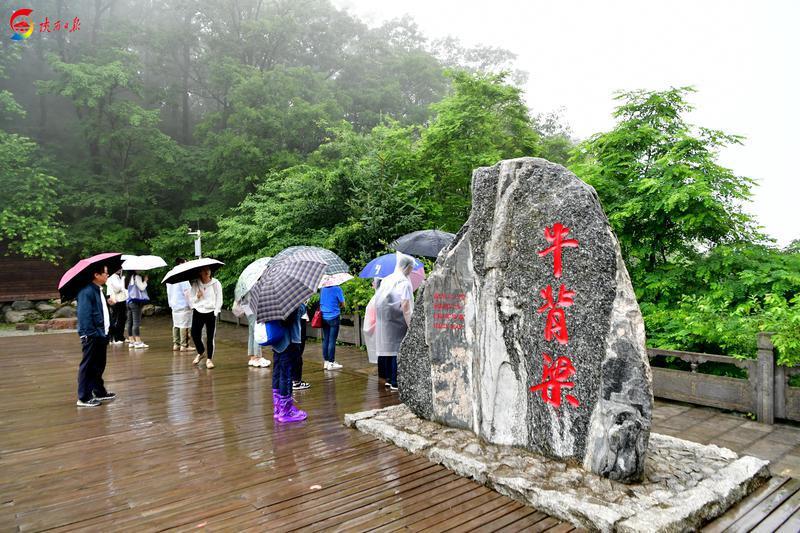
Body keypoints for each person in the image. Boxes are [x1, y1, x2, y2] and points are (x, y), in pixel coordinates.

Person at [75, 264, 116, 407]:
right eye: (105, 273)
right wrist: (89, 334)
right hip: (92, 334)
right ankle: (84, 397)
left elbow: (100, 311)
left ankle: (99, 391)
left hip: (101, 333)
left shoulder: (98, 290)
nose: (107, 275)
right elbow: (84, 315)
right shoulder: (86, 291)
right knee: (88, 366)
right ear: (96, 275)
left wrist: (108, 303)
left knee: (99, 365)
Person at [374, 253, 415, 391]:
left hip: (385, 319)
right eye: (411, 268)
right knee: (397, 350)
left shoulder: (388, 279)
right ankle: (395, 381)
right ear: (407, 266)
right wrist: (411, 324)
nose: (411, 271)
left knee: (388, 350)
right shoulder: (404, 282)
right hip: (398, 320)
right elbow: (406, 305)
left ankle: (388, 379)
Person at [272, 305, 307, 422]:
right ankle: (286, 411)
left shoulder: (272, 301)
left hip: (277, 341)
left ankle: (278, 408)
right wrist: (302, 305)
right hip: (289, 341)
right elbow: (299, 312)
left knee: (277, 373)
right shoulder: (290, 300)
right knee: (286, 375)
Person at [190, 266, 223, 369]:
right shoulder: (196, 284)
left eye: (208, 270)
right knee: (194, 333)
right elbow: (191, 300)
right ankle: (201, 352)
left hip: (211, 312)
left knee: (210, 336)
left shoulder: (216, 283)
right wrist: (197, 296)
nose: (207, 272)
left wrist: (216, 311)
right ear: (200, 272)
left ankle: (209, 359)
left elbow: (219, 298)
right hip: (198, 311)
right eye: (204, 270)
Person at [233, 291, 271, 368]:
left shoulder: (244, 283)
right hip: (253, 305)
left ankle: (253, 357)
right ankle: (257, 357)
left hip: (246, 305)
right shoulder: (253, 283)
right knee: (257, 330)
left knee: (252, 331)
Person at [166, 257, 193, 352]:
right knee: (184, 325)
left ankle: (176, 344)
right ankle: (184, 345)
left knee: (176, 324)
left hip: (174, 304)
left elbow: (168, 292)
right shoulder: (182, 276)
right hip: (183, 304)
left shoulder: (170, 274)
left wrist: (170, 303)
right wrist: (192, 305)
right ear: (181, 263)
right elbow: (187, 292)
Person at [319, 284, 345, 370]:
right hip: (334, 317)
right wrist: (339, 305)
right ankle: (331, 363)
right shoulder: (337, 288)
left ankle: (326, 362)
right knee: (332, 340)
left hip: (324, 317)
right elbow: (343, 303)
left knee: (326, 339)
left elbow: (321, 303)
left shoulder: (322, 288)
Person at [125, 270, 149, 348]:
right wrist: (145, 281)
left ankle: (131, 341)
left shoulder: (127, 278)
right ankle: (138, 341)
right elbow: (142, 288)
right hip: (136, 302)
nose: (140, 270)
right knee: (136, 322)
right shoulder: (137, 277)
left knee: (130, 322)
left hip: (128, 301)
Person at [105, 268, 127, 344]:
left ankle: (121, 336)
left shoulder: (119, 277)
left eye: (120, 268)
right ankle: (114, 338)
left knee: (122, 318)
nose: (120, 270)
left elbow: (123, 289)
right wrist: (123, 280)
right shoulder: (112, 277)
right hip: (115, 300)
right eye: (118, 268)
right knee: (116, 318)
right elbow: (117, 288)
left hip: (122, 299)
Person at [292, 302, 310, 390]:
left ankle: (291, 379)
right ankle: (296, 381)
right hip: (298, 324)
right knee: (298, 353)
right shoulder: (298, 302)